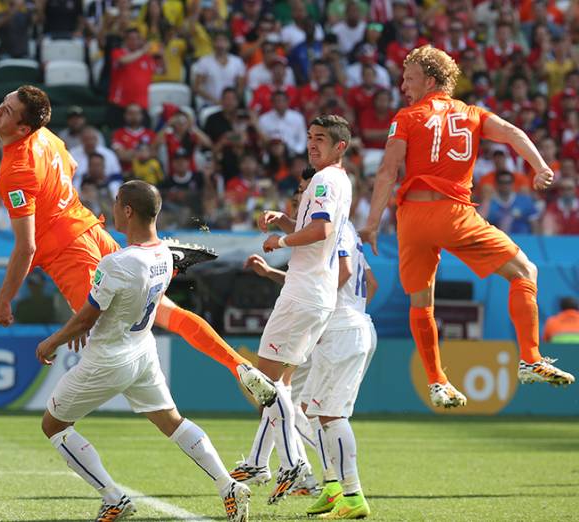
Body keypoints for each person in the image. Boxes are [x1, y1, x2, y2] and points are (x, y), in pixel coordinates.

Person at [0, 85, 276, 404]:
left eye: (8, 109)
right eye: (3, 102)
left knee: (99, 332)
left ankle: (144, 406)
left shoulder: (15, 170)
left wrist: (4, 300)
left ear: (23, 128)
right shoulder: (47, 138)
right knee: (168, 313)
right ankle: (241, 366)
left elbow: (26, 247)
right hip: (89, 229)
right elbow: (71, 165)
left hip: (67, 252)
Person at [360, 45, 575, 409]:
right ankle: (531, 358)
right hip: (453, 215)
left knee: (420, 300)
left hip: (411, 219)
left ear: (430, 79)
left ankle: (437, 381)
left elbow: (387, 171)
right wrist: (538, 166)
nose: (402, 85)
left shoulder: (406, 117)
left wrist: (371, 223)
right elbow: (512, 133)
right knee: (525, 270)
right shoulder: (472, 114)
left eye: (409, 78)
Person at [35, 180, 253, 522]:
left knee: (54, 426)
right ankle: (228, 486)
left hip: (107, 358)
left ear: (127, 211)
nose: (111, 210)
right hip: (142, 352)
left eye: (116, 203)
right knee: (173, 423)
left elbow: (86, 320)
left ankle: (113, 498)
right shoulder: (165, 255)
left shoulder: (117, 263)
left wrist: (52, 341)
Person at [242, 114, 354, 504]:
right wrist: (288, 219)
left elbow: (320, 232)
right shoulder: (339, 182)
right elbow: (321, 231)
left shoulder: (324, 180)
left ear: (340, 146)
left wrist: (281, 238)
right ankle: (273, 461)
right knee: (279, 385)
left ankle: (295, 466)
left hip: (303, 291)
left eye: (320, 139)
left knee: (266, 382)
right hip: (316, 292)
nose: (312, 144)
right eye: (310, 137)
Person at [237, 215, 377, 519]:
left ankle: (352, 494)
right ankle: (331, 487)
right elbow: (371, 283)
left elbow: (343, 272)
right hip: (346, 328)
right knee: (308, 409)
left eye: (304, 200)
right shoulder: (347, 231)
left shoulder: (334, 228)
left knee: (331, 414)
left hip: (341, 332)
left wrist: (337, 313)